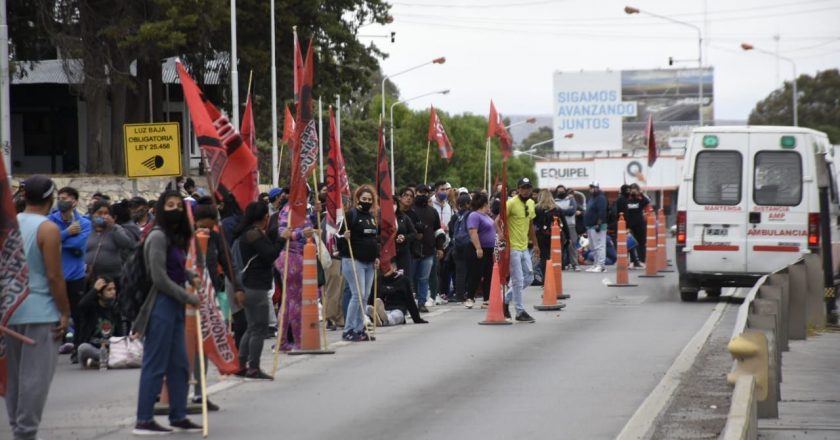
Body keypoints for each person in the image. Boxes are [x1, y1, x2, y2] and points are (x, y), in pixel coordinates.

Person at [132, 190, 202, 435]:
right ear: (161, 208)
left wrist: (189, 275)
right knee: (155, 363)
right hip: (160, 303)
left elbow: (175, 269)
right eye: (169, 205)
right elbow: (159, 277)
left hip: (175, 305)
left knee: (180, 364)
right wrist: (188, 297)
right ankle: (144, 419)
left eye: (178, 205)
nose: (175, 209)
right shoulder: (158, 236)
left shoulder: (174, 238)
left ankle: (178, 415)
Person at [6, 175, 71, 440]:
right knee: (35, 379)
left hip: (9, 309)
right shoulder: (48, 229)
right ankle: (25, 433)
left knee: (13, 379)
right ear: (51, 198)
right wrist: (65, 312)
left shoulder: (8, 225)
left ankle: (18, 429)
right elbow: (54, 276)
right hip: (41, 311)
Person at [235, 201, 282, 378]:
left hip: (249, 285)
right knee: (259, 328)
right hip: (256, 286)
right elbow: (270, 254)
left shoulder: (248, 233)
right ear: (265, 217)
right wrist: (282, 238)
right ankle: (253, 366)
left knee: (251, 327)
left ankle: (241, 364)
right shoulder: (254, 234)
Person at [48, 186, 92, 361]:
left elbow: (78, 245)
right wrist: (67, 233)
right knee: (52, 315)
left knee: (77, 313)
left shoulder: (85, 223)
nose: (61, 201)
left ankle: (77, 348)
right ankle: (51, 349)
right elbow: (43, 240)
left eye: (65, 198)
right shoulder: (50, 220)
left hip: (75, 276)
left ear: (74, 202)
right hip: (54, 274)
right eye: (59, 197)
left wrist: (57, 240)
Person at [337, 185, 379, 342]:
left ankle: (359, 329)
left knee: (365, 296)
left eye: (370, 199)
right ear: (357, 199)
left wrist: (377, 256)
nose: (367, 202)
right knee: (357, 294)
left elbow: (374, 239)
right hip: (353, 260)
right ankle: (348, 330)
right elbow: (337, 237)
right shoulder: (351, 215)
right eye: (364, 199)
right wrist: (344, 237)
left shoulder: (371, 217)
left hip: (370, 262)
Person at [274, 197, 315, 351]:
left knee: (287, 302)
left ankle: (282, 341)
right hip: (290, 257)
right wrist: (301, 234)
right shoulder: (288, 210)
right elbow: (282, 232)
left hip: (299, 256)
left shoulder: (302, 211)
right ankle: (298, 341)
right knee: (295, 302)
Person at [499, 178, 538, 323]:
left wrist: (536, 244)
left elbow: (531, 225)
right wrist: (502, 236)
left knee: (529, 278)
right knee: (518, 280)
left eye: (528, 187)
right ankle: (520, 311)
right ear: (518, 189)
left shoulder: (531, 203)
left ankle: (505, 300)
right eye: (523, 188)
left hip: (524, 247)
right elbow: (497, 221)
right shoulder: (510, 203)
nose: (526, 190)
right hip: (513, 247)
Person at [408, 184, 444, 313]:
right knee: (409, 278)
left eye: (426, 192)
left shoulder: (432, 211)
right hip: (412, 251)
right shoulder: (410, 210)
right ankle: (409, 303)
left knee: (424, 278)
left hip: (429, 250)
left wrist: (440, 247)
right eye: (420, 192)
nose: (423, 195)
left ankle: (422, 302)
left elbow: (438, 231)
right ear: (416, 193)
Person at [77, 276, 124, 368]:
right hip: (93, 350)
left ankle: (100, 362)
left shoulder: (115, 309)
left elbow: (120, 335)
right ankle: (106, 360)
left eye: (114, 289)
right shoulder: (91, 308)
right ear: (99, 294)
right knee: (83, 348)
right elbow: (81, 305)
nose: (113, 292)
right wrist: (94, 290)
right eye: (109, 289)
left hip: (110, 350)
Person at [85, 200, 135, 284]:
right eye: (99, 213)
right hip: (91, 276)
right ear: (93, 215)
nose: (103, 216)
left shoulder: (116, 229)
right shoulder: (87, 229)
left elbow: (127, 244)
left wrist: (113, 227)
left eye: (106, 213)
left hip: (113, 277)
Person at [465, 193, 497, 309]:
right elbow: (473, 232)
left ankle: (487, 298)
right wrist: (478, 247)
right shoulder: (474, 215)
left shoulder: (487, 216)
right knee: (476, 274)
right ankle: (470, 297)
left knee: (488, 274)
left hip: (489, 249)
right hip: (479, 248)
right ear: (485, 204)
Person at [431, 181, 453, 303]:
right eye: (442, 189)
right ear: (436, 191)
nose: (444, 192)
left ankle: (442, 293)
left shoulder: (448, 205)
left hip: (446, 241)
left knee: (444, 270)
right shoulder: (431, 203)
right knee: (435, 269)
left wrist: (448, 228)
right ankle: (434, 294)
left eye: (446, 189)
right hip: (435, 241)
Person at [448, 193, 472, 303]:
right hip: (468, 245)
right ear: (468, 203)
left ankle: (459, 295)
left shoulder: (455, 216)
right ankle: (468, 293)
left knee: (459, 272)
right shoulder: (471, 214)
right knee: (469, 270)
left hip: (456, 246)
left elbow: (451, 230)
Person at [394, 186, 418, 289]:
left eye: (411, 196)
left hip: (404, 252)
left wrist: (404, 237)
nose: (408, 198)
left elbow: (414, 233)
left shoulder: (404, 217)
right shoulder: (382, 217)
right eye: (406, 195)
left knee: (405, 279)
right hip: (388, 252)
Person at [533, 189, 557, 285]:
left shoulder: (536, 208)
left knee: (543, 258)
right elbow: (564, 224)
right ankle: (554, 278)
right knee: (554, 257)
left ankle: (545, 279)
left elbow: (532, 224)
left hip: (541, 235)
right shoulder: (556, 209)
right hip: (554, 235)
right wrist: (568, 238)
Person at [584, 181, 608, 273]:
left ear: (597, 188)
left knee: (599, 246)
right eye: (590, 187)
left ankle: (601, 266)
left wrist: (599, 223)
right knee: (593, 247)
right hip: (590, 226)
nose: (591, 189)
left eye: (593, 187)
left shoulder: (601, 198)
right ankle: (596, 264)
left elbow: (602, 212)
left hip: (598, 225)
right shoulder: (592, 198)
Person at [554, 185, 580, 271]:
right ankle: (562, 264)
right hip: (559, 226)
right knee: (560, 246)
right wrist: (564, 211)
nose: (561, 193)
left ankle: (575, 264)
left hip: (570, 225)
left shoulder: (571, 200)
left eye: (562, 191)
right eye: (559, 191)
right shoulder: (555, 201)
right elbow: (555, 212)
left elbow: (572, 211)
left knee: (572, 245)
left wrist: (561, 212)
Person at [625, 183, 651, 268]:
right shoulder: (628, 199)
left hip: (640, 225)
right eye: (632, 189)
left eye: (635, 189)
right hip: (630, 226)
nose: (633, 190)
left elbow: (647, 202)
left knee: (641, 244)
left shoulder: (641, 199)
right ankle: (633, 261)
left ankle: (642, 261)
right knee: (631, 244)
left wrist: (641, 194)